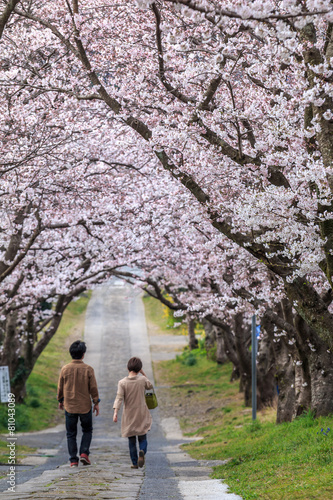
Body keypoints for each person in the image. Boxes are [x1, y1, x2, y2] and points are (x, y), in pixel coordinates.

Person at [57, 340, 100, 467]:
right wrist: (96, 402)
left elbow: (60, 387)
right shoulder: (88, 369)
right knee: (87, 430)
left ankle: (73, 460)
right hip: (85, 406)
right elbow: (93, 388)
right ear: (83, 354)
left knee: (71, 434)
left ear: (71, 353)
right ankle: (84, 453)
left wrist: (60, 400)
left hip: (69, 406)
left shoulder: (65, 369)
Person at [113, 357, 153, 469]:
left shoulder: (122, 383)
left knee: (131, 440)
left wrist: (115, 412)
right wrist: (143, 373)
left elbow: (119, 398)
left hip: (129, 414)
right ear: (139, 368)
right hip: (141, 413)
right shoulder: (142, 380)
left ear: (127, 368)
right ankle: (142, 451)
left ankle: (135, 463)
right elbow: (150, 386)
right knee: (143, 437)